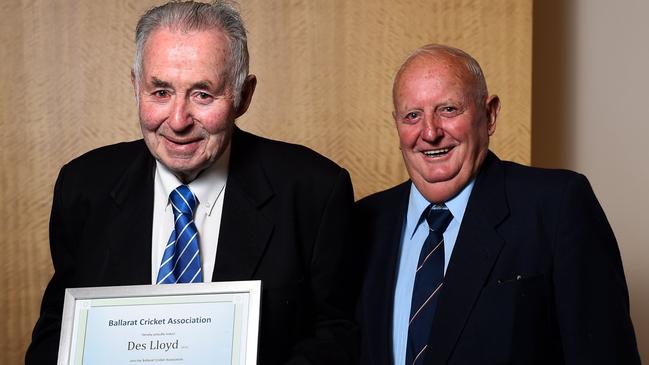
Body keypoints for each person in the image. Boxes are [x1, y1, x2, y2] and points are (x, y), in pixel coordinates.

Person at [26, 2, 358, 364]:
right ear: (136, 87)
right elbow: (59, 330)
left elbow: (335, 335)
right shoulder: (83, 187)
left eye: (203, 94)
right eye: (161, 92)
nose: (179, 119)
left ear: (243, 96)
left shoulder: (314, 191)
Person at [356, 44, 640, 364]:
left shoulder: (557, 206)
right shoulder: (364, 222)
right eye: (412, 115)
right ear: (397, 124)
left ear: (489, 115)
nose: (430, 132)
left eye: (448, 109)